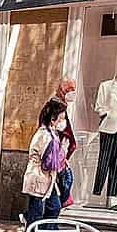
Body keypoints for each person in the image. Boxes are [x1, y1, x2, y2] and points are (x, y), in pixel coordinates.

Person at [21, 98, 69, 232]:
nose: (63, 121)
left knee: (54, 207)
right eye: (61, 118)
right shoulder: (45, 135)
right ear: (53, 119)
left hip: (48, 179)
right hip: (39, 177)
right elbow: (48, 162)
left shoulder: (51, 134)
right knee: (37, 212)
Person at [42, 79, 78, 208]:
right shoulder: (56, 106)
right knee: (64, 183)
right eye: (71, 89)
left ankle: (38, 219)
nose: (73, 92)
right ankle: (33, 218)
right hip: (55, 157)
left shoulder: (63, 106)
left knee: (62, 186)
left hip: (59, 155)